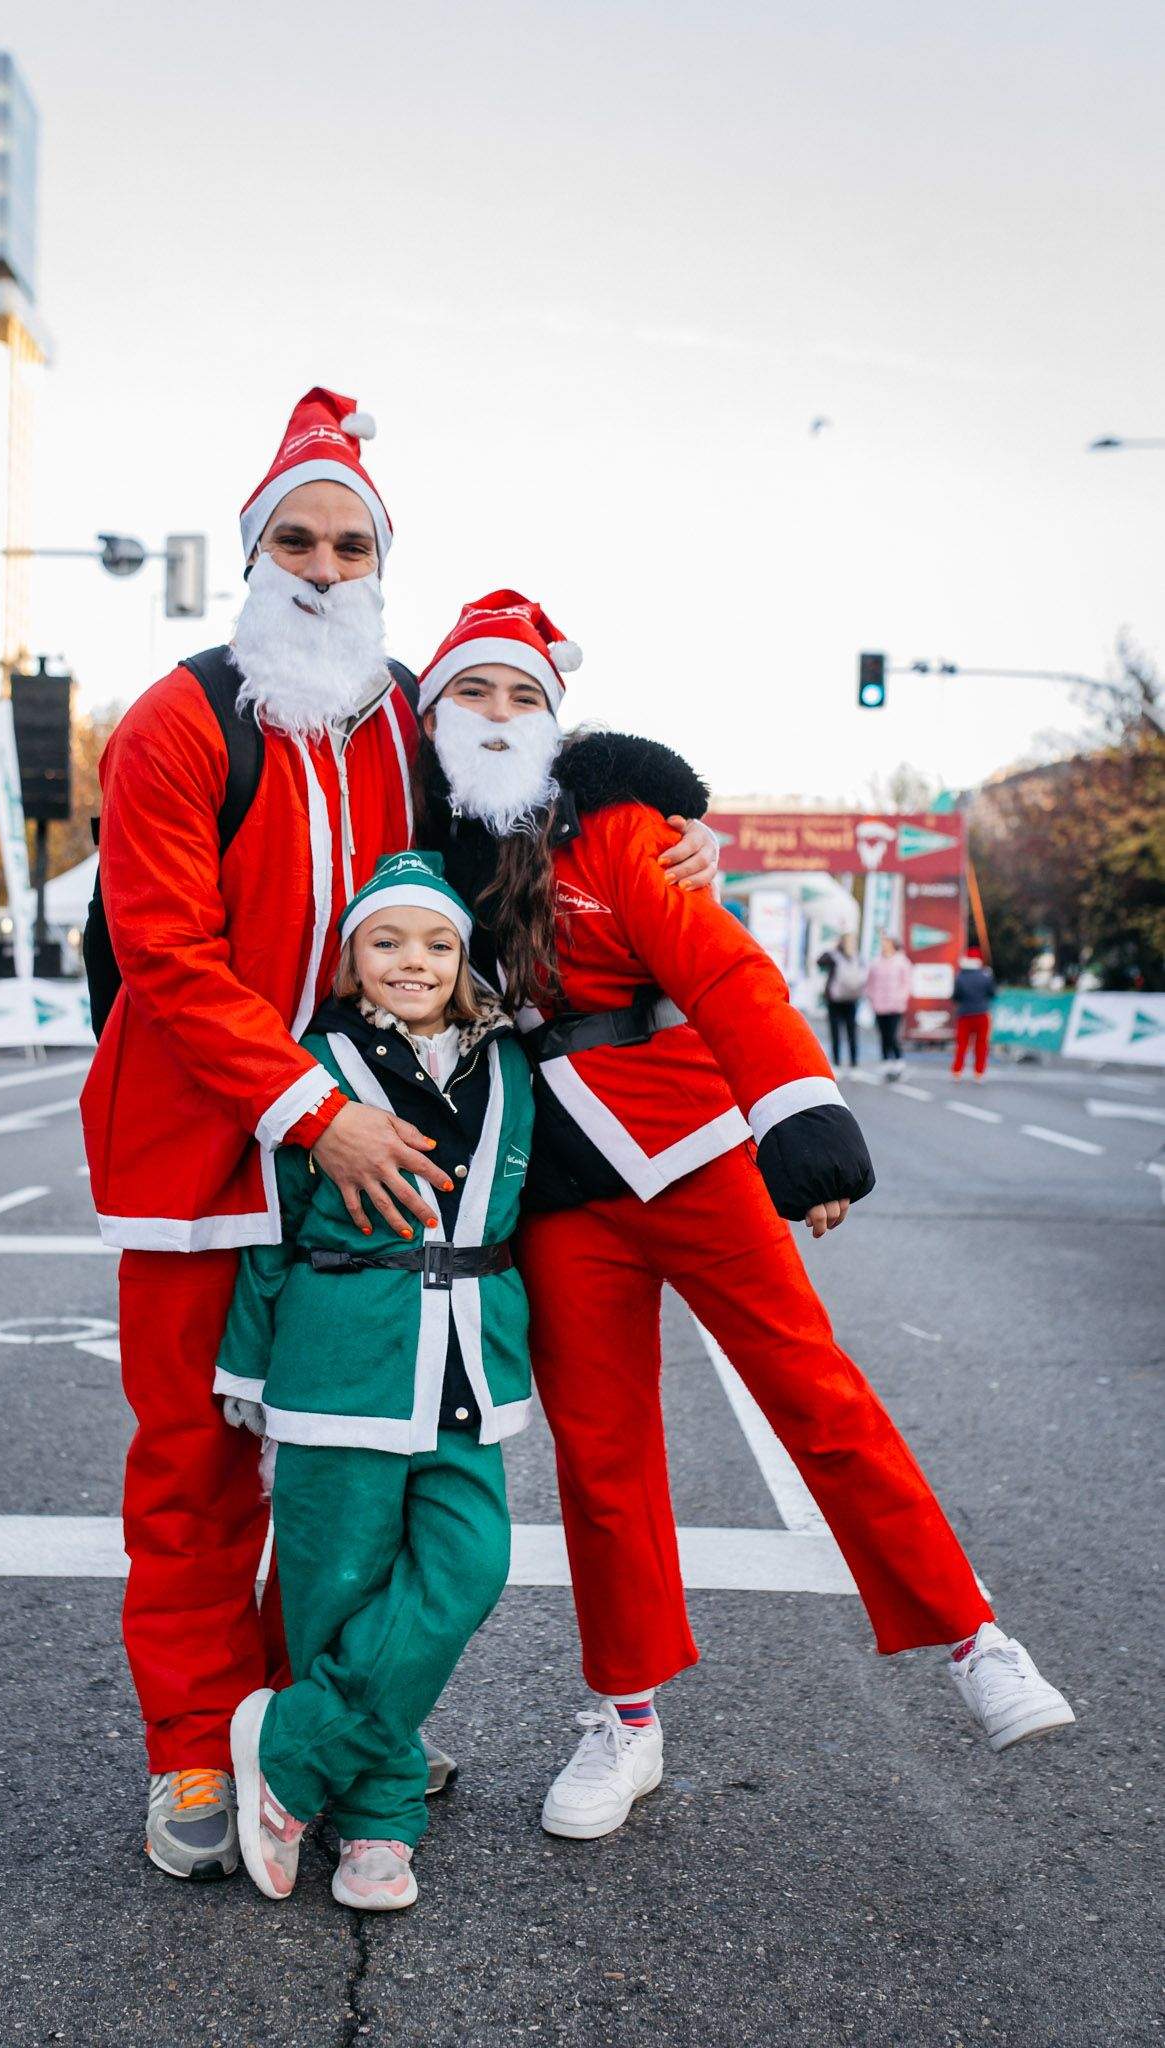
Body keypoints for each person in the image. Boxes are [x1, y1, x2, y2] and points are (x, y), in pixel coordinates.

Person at [80, 392, 715, 1882]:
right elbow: (161, 954)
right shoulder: (179, 718)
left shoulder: (411, 713)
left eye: (348, 542)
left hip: (380, 1142)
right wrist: (317, 1110)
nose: (320, 564)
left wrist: (684, 827)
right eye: (293, 537)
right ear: (252, 552)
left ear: (380, 561)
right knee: (194, 1466)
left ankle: (327, 1719)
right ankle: (193, 1741)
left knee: (351, 1480)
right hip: (210, 1153)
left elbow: (538, 798)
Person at [414, 590, 1073, 1842]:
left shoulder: (616, 829)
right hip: (559, 1188)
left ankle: (974, 1636)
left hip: (699, 1147)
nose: (497, 717)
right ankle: (625, 1716)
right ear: (435, 712)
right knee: (603, 1462)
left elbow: (719, 970)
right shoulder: (424, 844)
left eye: (523, 696)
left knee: (816, 1393)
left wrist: (798, 1119)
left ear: (556, 718)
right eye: (471, 693)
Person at [218, 852, 533, 1911]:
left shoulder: (509, 1064)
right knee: (336, 1587)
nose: (414, 960)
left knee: (469, 1563)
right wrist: (247, 1363)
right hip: (340, 1353)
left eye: (438, 942)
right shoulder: (312, 1061)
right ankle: (381, 1822)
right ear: (350, 959)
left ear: (465, 959)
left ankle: (290, 1752)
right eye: (388, 940)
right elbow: (270, 1220)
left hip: (467, 1358)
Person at [816, 932, 865, 1072]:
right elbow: (820, 961)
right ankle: (845, 1063)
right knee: (843, 1032)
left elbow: (819, 962)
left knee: (844, 1032)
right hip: (842, 1000)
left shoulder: (848, 957)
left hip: (844, 999)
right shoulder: (847, 957)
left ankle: (846, 1063)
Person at [866, 933, 912, 1078]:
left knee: (893, 1035)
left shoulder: (902, 962)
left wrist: (901, 998)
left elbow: (907, 983)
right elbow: (870, 982)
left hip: (895, 1005)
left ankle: (898, 1060)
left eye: (886, 942)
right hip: (879, 1005)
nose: (884, 945)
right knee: (883, 1035)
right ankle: (886, 1061)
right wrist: (872, 997)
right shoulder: (876, 962)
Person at [952, 945, 997, 1081]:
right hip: (982, 1013)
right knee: (981, 1044)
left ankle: (957, 1070)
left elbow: (956, 996)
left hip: (964, 1014)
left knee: (962, 1044)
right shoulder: (985, 976)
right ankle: (979, 1072)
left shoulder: (960, 976)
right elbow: (992, 993)